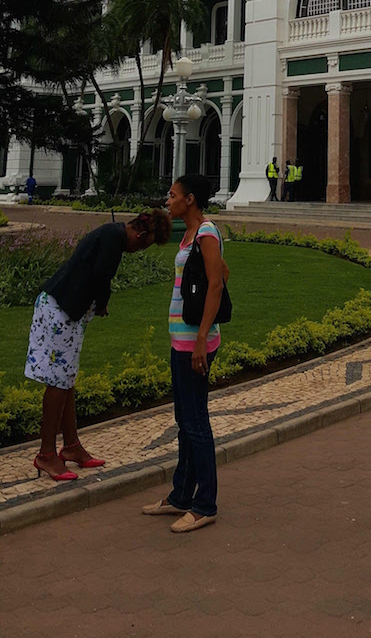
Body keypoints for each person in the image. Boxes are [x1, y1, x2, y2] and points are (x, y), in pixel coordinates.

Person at [25, 209, 172, 481]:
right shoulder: (114, 238)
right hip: (59, 309)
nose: (138, 250)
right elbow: (102, 277)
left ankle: (71, 447)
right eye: (143, 245)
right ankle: (46, 454)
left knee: (66, 379)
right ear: (140, 233)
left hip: (66, 310)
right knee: (58, 382)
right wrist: (103, 304)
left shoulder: (112, 234)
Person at [142, 173, 226, 532]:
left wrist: (201, 338)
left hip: (196, 342)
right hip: (183, 338)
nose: (168, 199)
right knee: (185, 420)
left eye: (173, 194)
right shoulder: (192, 235)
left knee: (195, 422)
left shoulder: (206, 232)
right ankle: (181, 496)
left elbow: (217, 284)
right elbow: (220, 271)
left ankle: (205, 503)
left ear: (189, 199)